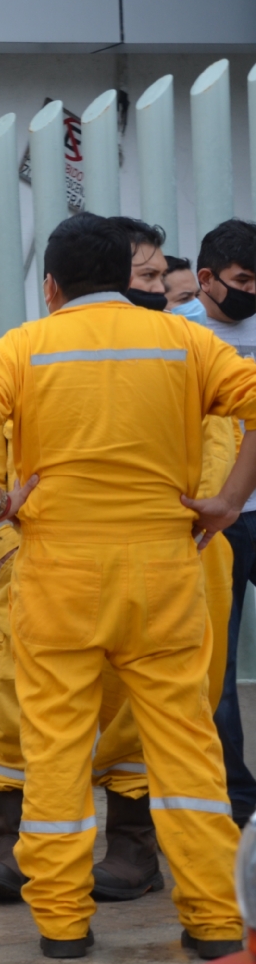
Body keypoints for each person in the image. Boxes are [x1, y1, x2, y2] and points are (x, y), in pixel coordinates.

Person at [0, 212, 256, 962]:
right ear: (126, 277)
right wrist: (230, 499)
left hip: (59, 576)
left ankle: (61, 922)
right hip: (163, 575)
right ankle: (213, 920)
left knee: (55, 745)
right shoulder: (187, 342)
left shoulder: (23, 347)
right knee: (184, 745)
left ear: (50, 286)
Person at [191, 218, 256, 828]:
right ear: (207, 279)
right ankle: (237, 801)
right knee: (217, 669)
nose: (251, 293)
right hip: (217, 522)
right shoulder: (175, 334)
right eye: (242, 281)